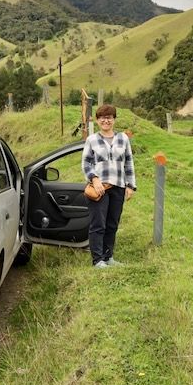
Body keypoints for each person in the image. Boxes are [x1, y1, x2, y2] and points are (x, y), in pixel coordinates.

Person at [82, 104, 136, 268]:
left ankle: (108, 256)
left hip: (118, 186)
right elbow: (86, 164)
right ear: (98, 120)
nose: (106, 120)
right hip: (100, 188)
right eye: (103, 118)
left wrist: (130, 185)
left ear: (114, 120)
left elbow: (128, 162)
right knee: (98, 224)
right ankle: (98, 260)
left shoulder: (123, 139)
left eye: (109, 117)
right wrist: (95, 179)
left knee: (113, 223)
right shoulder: (92, 140)